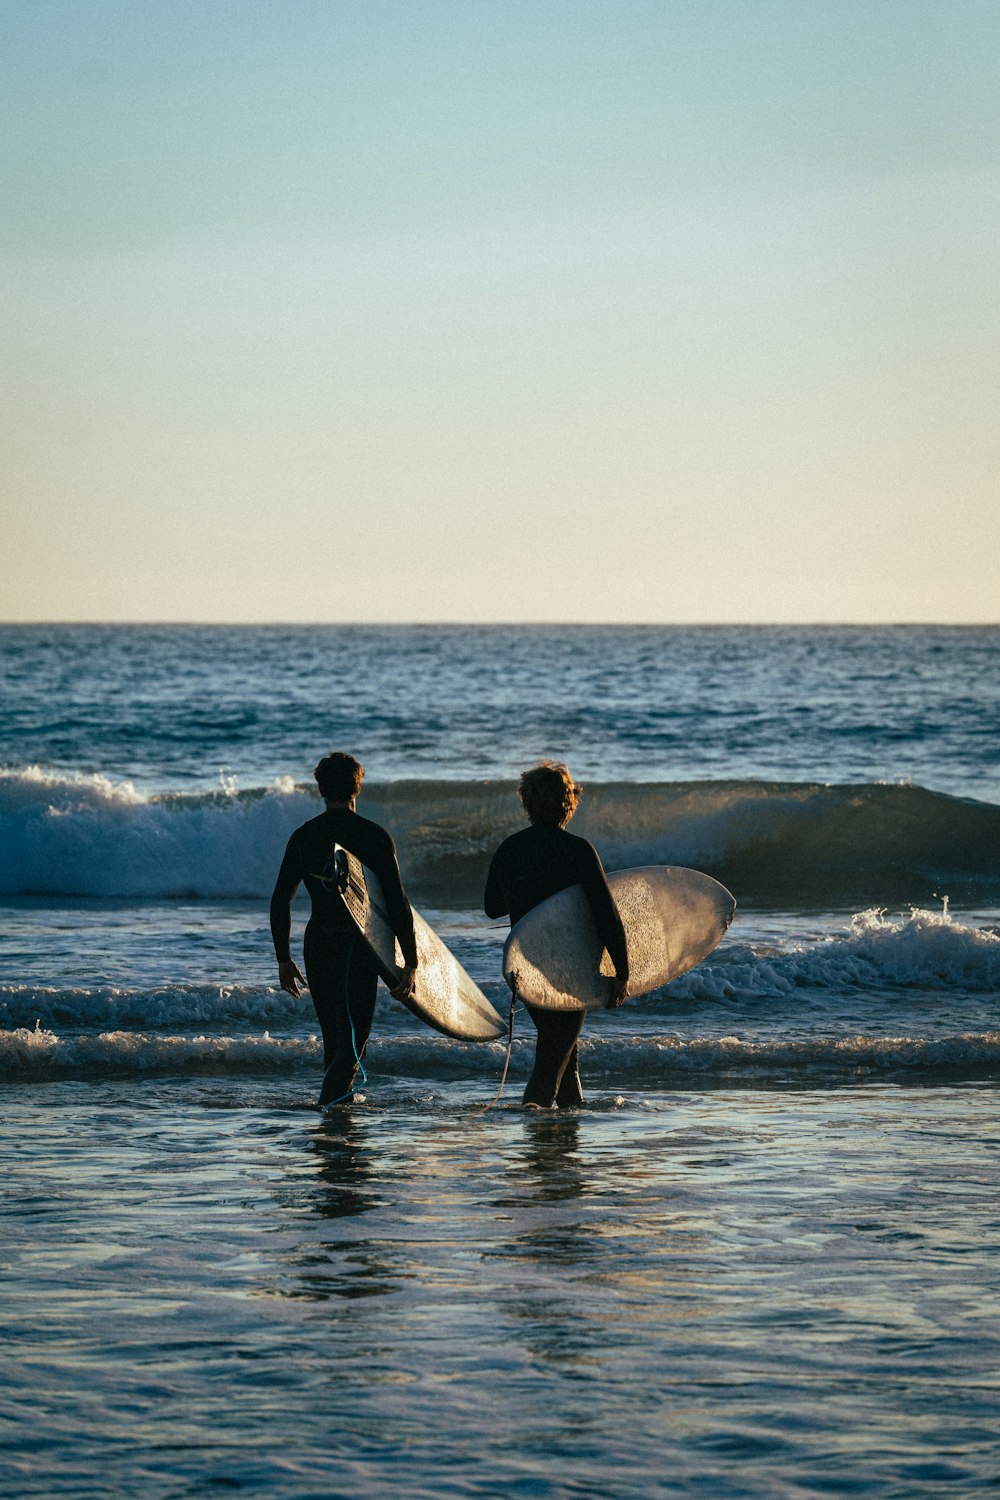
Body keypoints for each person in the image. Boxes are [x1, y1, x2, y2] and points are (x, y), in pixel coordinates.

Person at [270, 752, 418, 1106]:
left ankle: (338, 1127)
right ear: (358, 787)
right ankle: (330, 1113)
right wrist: (410, 961)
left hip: (318, 942)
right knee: (353, 1044)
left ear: (320, 788)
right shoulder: (374, 836)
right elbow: (397, 903)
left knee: (336, 1040)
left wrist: (284, 959)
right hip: (359, 949)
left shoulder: (304, 836)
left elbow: (280, 899)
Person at [484, 762, 629, 1108]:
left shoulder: (511, 848)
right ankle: (538, 1145)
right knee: (553, 1058)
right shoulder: (577, 850)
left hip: (527, 968)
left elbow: (492, 907)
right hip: (571, 968)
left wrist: (526, 890)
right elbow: (606, 916)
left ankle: (565, 1136)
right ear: (568, 802)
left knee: (565, 1052)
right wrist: (622, 971)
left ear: (528, 804)